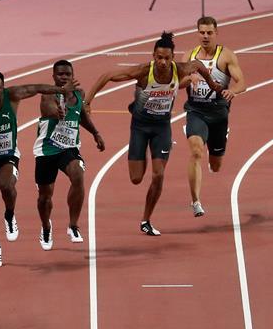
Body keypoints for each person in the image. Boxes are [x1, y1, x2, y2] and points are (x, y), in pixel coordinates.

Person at [85, 32, 224, 236]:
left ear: (173, 57)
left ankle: (146, 220)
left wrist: (211, 84)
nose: (163, 62)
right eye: (159, 58)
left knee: (158, 175)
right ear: (153, 56)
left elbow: (199, 65)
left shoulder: (180, 68)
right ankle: (140, 147)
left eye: (167, 58)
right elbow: (107, 75)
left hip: (162, 128)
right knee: (136, 178)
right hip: (140, 127)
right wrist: (88, 101)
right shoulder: (143, 71)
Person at [0, 70, 78, 266]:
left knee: (6, 185)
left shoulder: (12, 95)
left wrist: (61, 90)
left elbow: (36, 88)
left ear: (3, 87)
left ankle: (9, 214)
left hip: (9, 156)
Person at [32, 60, 105, 249]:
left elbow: (81, 115)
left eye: (67, 74)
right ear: (53, 76)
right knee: (45, 196)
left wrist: (95, 133)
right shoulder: (48, 94)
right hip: (47, 149)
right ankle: (46, 226)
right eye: (60, 74)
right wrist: (59, 107)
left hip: (69, 148)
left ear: (73, 75)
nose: (64, 77)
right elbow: (51, 111)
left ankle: (73, 225)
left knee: (78, 175)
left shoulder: (79, 93)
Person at [180, 16, 245, 216]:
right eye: (202, 32)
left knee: (216, 166)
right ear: (197, 33)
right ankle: (195, 202)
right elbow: (177, 84)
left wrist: (232, 91)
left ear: (216, 33)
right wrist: (188, 78)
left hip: (218, 113)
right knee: (196, 151)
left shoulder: (226, 56)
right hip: (196, 111)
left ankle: (220, 138)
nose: (205, 36)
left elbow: (242, 82)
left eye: (209, 33)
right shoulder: (189, 56)